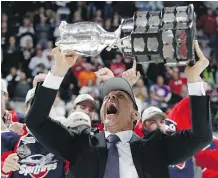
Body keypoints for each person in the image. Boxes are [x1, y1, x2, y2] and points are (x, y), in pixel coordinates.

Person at [26, 40, 212, 178]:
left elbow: (201, 137)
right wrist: (58, 71)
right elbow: (36, 122)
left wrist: (194, 78)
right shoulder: (81, 143)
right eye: (107, 96)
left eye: (120, 95)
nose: (111, 97)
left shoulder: (156, 147)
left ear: (135, 115)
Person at [134, 97, 218, 178]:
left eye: (161, 121)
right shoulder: (140, 143)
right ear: (144, 125)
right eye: (153, 122)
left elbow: (202, 138)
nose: (159, 124)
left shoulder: (176, 139)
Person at [1, 87, 69, 178]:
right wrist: (4, 168)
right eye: (34, 105)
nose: (38, 110)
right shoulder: (11, 137)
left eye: (44, 106)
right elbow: (3, 169)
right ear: (26, 109)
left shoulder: (62, 137)